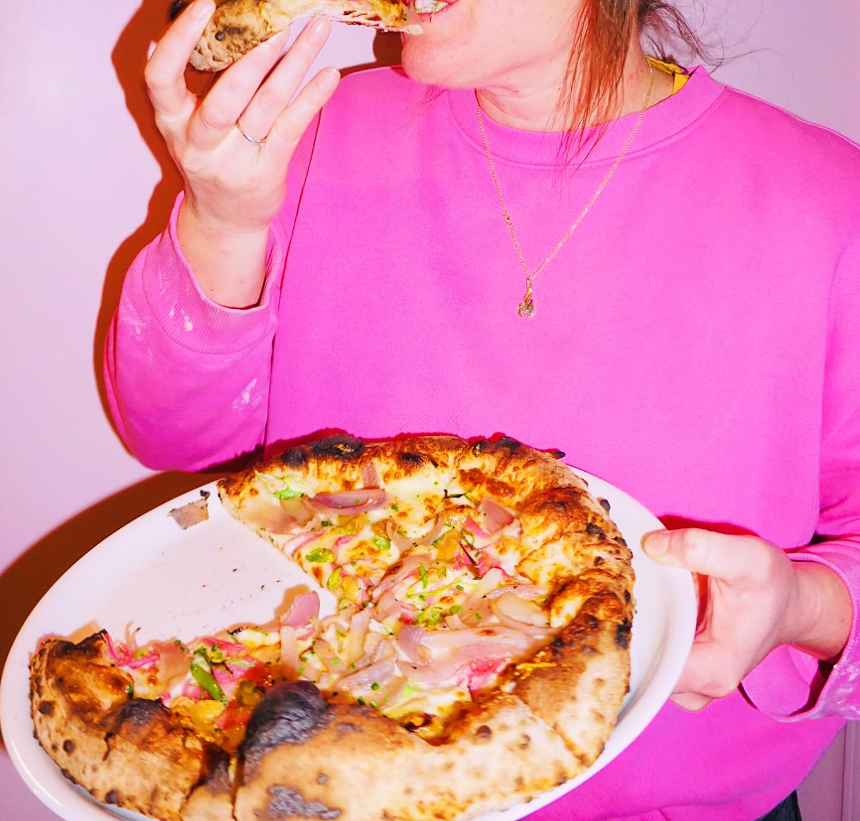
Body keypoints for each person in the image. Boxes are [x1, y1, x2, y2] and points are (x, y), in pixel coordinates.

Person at [105, 1, 859, 818]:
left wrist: (804, 604)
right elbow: (171, 433)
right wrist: (222, 222)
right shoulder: (313, 129)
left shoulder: (825, 202)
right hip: (337, 788)